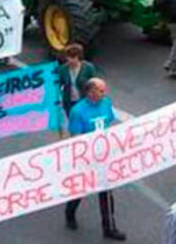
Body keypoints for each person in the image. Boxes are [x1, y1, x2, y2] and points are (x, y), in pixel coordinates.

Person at [65, 79, 125, 239]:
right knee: (81, 190)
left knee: (106, 193)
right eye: (101, 91)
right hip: (86, 159)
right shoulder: (77, 111)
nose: (105, 94)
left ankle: (109, 227)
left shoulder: (106, 103)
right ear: (90, 92)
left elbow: (108, 124)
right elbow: (76, 138)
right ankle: (70, 212)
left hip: (103, 156)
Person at [56, 43, 99, 118]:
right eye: (68, 58)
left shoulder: (88, 68)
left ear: (78, 57)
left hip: (84, 101)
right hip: (69, 102)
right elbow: (58, 85)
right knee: (74, 122)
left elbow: (95, 84)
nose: (69, 60)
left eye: (72, 58)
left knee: (85, 121)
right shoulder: (63, 69)